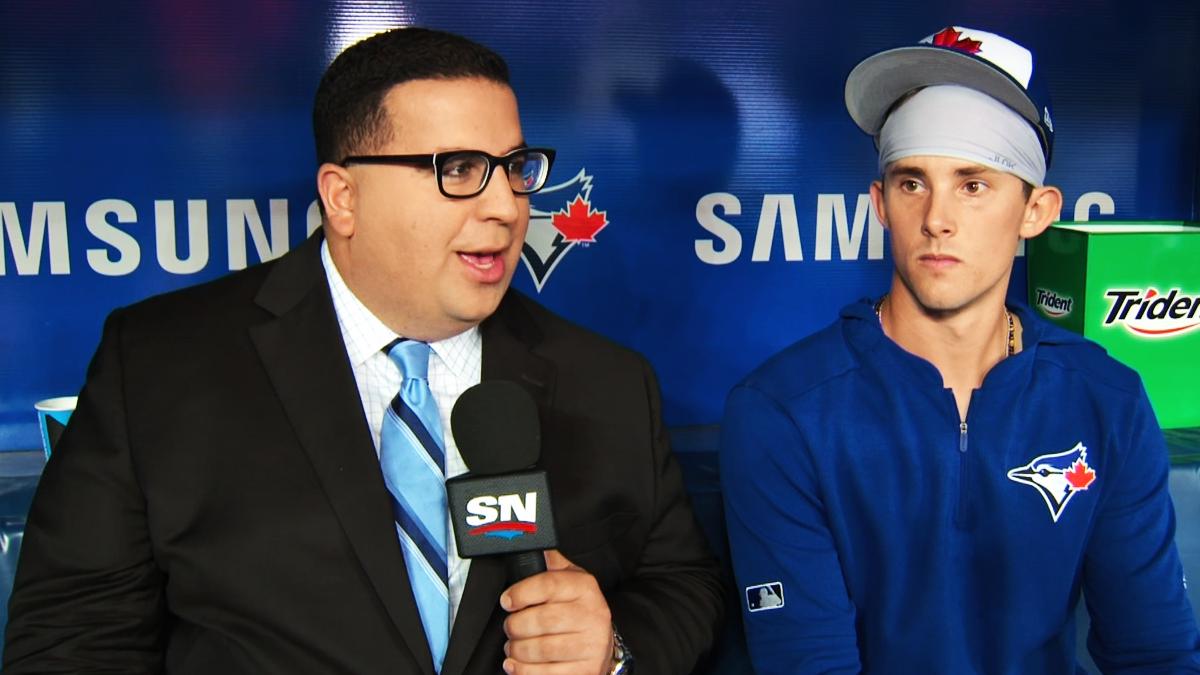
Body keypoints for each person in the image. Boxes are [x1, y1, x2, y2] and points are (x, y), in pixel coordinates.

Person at [4, 27, 723, 674]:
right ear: (343, 197)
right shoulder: (160, 365)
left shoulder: (608, 380)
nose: (506, 206)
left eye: (514, 166)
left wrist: (614, 648)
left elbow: (681, 586)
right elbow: (74, 638)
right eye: (460, 168)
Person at [721, 25, 1200, 673]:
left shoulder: (1104, 398)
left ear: (1036, 211)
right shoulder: (782, 410)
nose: (937, 216)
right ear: (880, 204)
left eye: (973, 184)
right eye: (912, 182)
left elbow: (1154, 653)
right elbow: (807, 662)